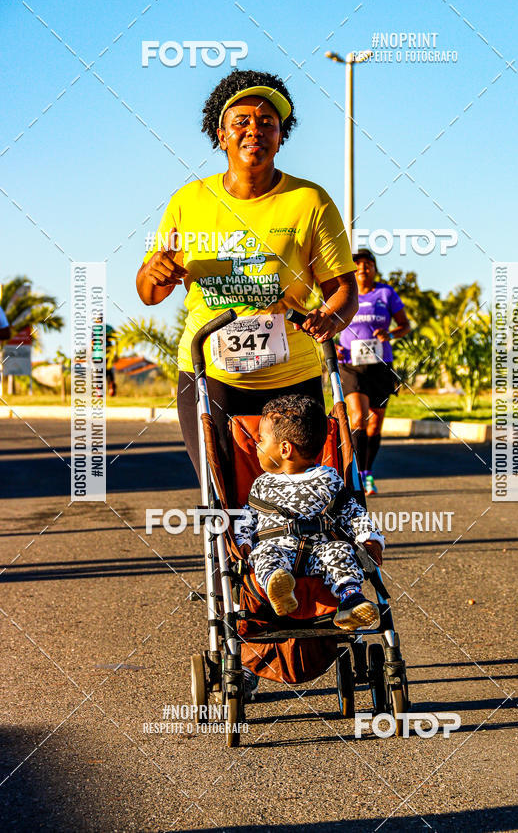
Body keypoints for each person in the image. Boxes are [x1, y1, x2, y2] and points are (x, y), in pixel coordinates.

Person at [136, 69, 358, 486]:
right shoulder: (189, 201)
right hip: (210, 372)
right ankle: (233, 550)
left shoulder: (309, 200)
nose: (254, 129)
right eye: (241, 121)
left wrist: (331, 317)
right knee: (222, 492)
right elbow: (149, 293)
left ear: (280, 136)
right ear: (221, 136)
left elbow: (345, 291)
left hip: (291, 373)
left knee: (299, 493)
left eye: (267, 122)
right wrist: (155, 271)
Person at [234, 395, 384, 632]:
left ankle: (351, 600)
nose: (257, 446)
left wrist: (369, 538)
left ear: (284, 449)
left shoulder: (328, 479)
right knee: (265, 554)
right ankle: (279, 588)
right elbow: (248, 516)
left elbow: (352, 512)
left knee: (340, 552)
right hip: (278, 549)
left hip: (320, 553)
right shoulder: (261, 484)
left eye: (261, 440)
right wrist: (242, 541)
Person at [336, 249, 410, 496]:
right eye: (357, 265)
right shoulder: (343, 295)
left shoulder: (386, 293)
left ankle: (368, 472)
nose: (363, 269)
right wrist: (333, 345)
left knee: (375, 425)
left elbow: (404, 325)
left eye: (368, 265)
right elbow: (329, 321)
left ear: (375, 269)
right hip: (350, 364)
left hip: (380, 365)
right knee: (358, 417)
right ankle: (355, 473)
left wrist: (390, 334)